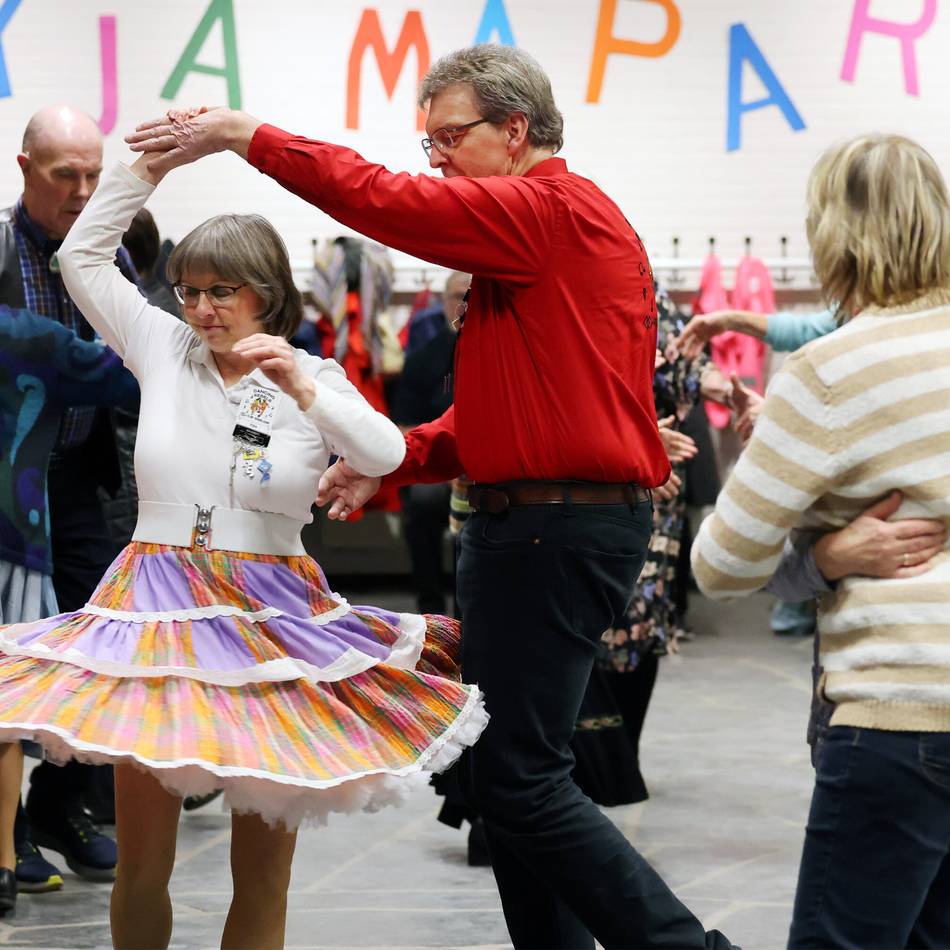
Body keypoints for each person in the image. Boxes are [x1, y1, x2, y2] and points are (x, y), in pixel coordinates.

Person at [127, 45, 733, 949]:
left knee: (522, 782)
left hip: (547, 532)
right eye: (430, 142)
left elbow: (385, 200)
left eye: (450, 138)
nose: (437, 160)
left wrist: (246, 135)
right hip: (535, 525)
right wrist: (399, 457)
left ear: (516, 131)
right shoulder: (550, 232)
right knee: (516, 780)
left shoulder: (545, 210)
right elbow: (513, 414)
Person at [0, 151, 487, 949]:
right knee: (142, 867)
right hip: (152, 611)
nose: (201, 308)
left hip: (273, 620)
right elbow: (80, 257)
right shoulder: (160, 345)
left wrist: (304, 388)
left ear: (268, 292)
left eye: (221, 292)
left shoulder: (314, 377)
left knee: (264, 874)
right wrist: (140, 173)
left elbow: (387, 456)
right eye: (190, 290)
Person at [692, 133, 950, 947]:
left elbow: (722, 565)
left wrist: (825, 555)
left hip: (898, 714)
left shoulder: (827, 374)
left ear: (833, 236)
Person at [5, 103, 129, 887]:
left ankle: (62, 801)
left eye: (94, 175)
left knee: (100, 647)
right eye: (65, 176)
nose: (83, 192)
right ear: (25, 172)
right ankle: (5, 833)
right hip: (6, 490)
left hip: (85, 480)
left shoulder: (105, 253)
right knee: (11, 653)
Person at [391, 271, 469, 615]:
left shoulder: (504, 352)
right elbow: (405, 428)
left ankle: (468, 610)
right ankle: (430, 607)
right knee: (423, 501)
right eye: (456, 296)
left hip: (487, 470)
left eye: (472, 296)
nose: (464, 304)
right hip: (436, 466)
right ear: (442, 303)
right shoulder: (424, 357)